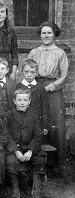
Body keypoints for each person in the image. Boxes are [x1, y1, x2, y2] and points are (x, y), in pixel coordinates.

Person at [28, 21, 68, 164]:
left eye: (49, 33)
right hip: (36, 88)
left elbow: (64, 76)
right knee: (36, 121)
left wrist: (50, 86)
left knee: (55, 123)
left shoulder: (60, 53)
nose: (46, 35)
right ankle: (36, 161)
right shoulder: (34, 52)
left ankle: (56, 163)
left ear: (54, 34)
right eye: (43, 33)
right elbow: (28, 71)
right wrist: (33, 87)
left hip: (53, 90)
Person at [6, 89, 46, 198]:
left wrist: (31, 150)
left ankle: (37, 191)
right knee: (11, 162)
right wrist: (16, 151)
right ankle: (15, 192)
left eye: (25, 100)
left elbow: (38, 135)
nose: (22, 102)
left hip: (30, 147)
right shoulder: (8, 116)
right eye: (19, 100)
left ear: (29, 101)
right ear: (14, 101)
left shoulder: (34, 116)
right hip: (15, 148)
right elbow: (6, 135)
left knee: (40, 161)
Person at [16, 59, 50, 135]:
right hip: (21, 123)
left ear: (36, 73)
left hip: (37, 123)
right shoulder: (17, 87)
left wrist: (45, 126)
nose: (29, 75)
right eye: (26, 72)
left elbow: (45, 107)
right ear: (22, 71)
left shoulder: (40, 88)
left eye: (32, 72)